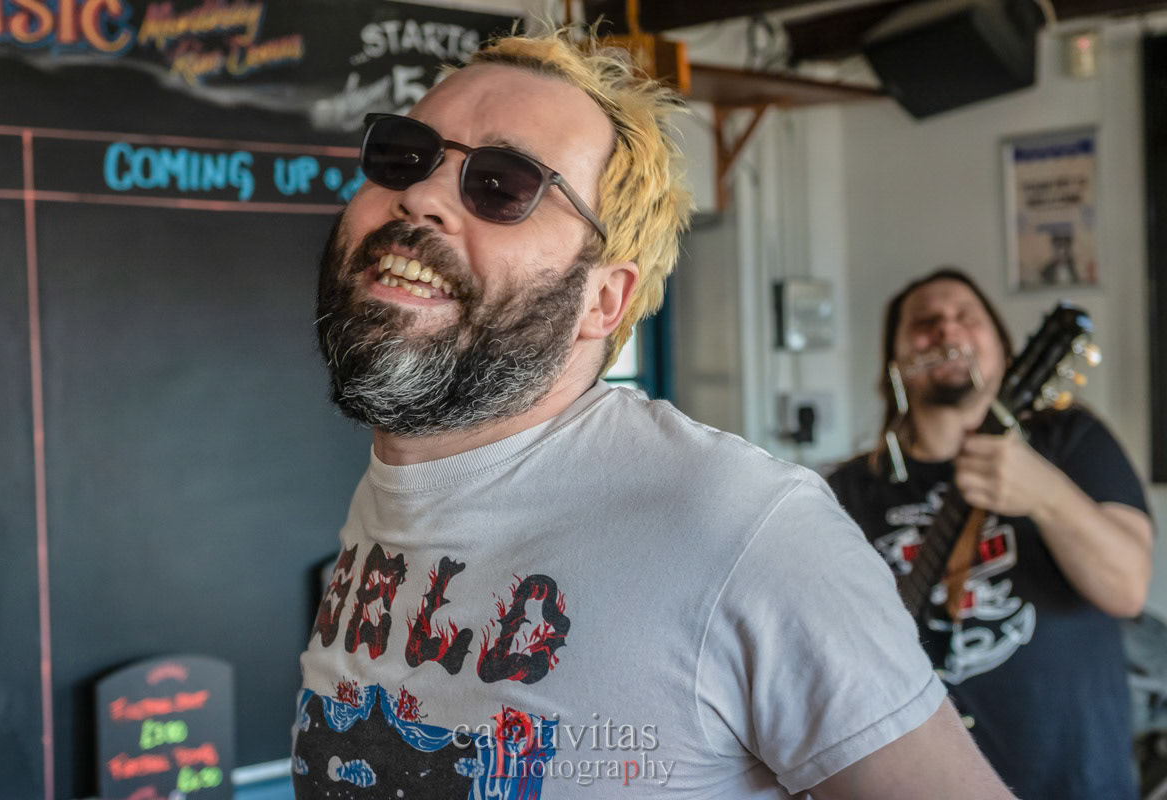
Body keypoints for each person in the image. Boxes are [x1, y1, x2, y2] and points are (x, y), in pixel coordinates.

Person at [293, 31, 1013, 799]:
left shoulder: (745, 529)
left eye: (502, 185)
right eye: (403, 156)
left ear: (604, 300)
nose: (421, 196)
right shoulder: (403, 490)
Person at [827, 267, 1154, 800]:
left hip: (1075, 779)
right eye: (924, 323)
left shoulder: (1070, 439)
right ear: (895, 362)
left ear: (1002, 348)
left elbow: (1127, 589)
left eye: (966, 317)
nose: (947, 331)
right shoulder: (848, 489)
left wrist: (1047, 495)